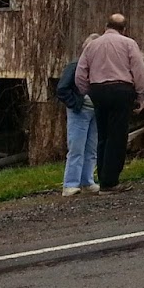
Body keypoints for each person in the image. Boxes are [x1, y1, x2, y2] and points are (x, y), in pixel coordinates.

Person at [76, 13, 144, 192]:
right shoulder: (128, 44)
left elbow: (80, 73)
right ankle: (110, 181)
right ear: (124, 29)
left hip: (98, 90)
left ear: (105, 26)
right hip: (121, 90)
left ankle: (102, 177)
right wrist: (141, 96)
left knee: (103, 135)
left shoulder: (92, 45)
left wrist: (87, 91)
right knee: (117, 136)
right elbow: (139, 72)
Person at [56, 33, 100, 196]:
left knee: (91, 148)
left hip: (94, 111)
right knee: (76, 147)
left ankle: (87, 181)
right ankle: (70, 183)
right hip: (80, 111)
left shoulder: (98, 66)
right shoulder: (75, 65)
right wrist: (75, 104)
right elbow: (62, 89)